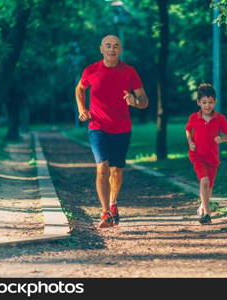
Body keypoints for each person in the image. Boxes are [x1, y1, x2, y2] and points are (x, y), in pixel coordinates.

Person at [75, 35, 149, 228]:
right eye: (108, 46)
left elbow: (144, 100)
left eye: (116, 46)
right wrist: (82, 109)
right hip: (97, 127)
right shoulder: (91, 70)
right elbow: (80, 89)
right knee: (102, 167)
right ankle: (105, 212)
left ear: (120, 50)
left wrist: (135, 102)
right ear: (101, 49)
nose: (112, 49)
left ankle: (113, 203)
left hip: (122, 128)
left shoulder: (129, 72)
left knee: (116, 171)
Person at [185, 83, 227, 224]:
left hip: (212, 158)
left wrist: (221, 139)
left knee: (209, 186)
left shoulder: (220, 118)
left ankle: (202, 207)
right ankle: (207, 214)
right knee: (204, 181)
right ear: (198, 102)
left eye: (210, 102)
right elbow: (187, 130)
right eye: (204, 102)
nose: (207, 105)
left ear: (215, 102)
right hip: (197, 155)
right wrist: (190, 142)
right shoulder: (194, 117)